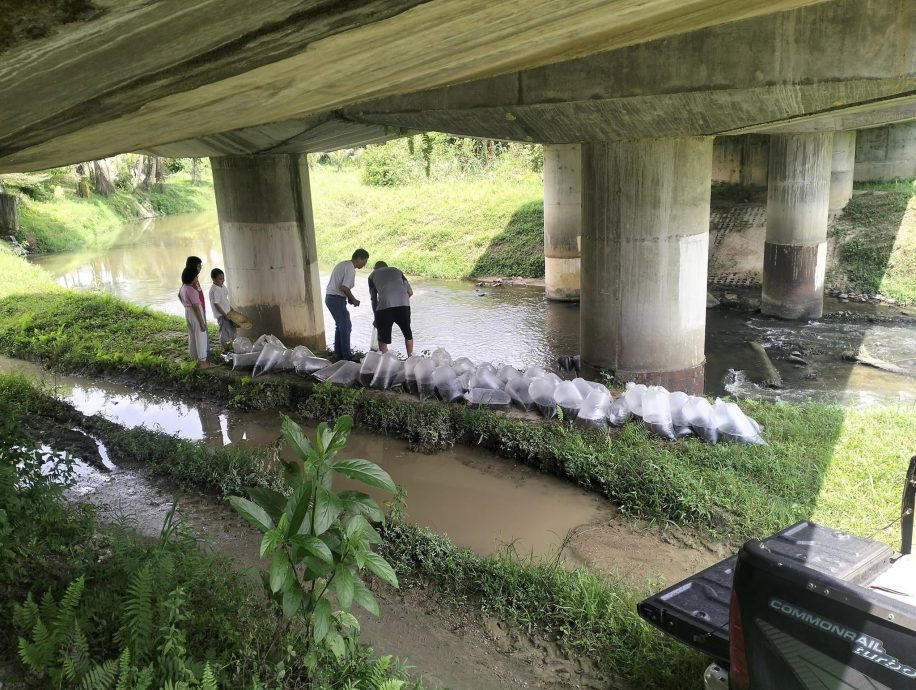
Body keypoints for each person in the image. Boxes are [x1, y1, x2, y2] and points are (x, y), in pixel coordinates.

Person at [325, 248, 369, 361]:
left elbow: (341, 287)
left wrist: (348, 297)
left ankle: (338, 353)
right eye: (364, 262)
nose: (364, 265)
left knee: (340, 325)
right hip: (336, 299)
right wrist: (353, 299)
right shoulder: (350, 268)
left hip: (331, 298)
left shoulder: (343, 264)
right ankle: (347, 355)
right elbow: (345, 287)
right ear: (359, 258)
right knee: (346, 326)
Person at [367, 260, 414, 356]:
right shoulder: (397, 271)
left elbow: (373, 298)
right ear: (387, 266)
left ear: (375, 268)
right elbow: (410, 292)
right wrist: (401, 301)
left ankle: (385, 360)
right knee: (407, 334)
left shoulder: (372, 275)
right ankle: (410, 358)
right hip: (403, 304)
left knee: (383, 338)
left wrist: (376, 316)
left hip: (385, 306)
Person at [179, 266, 213, 369]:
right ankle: (203, 362)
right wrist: (202, 322)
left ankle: (194, 357)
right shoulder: (192, 290)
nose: (197, 279)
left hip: (187, 311)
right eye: (196, 277)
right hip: (195, 313)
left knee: (192, 336)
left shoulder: (183, 288)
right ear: (192, 278)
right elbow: (196, 307)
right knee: (201, 336)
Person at [209, 268, 236, 350]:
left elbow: (225, 299)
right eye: (220, 279)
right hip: (222, 315)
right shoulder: (214, 290)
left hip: (228, 313)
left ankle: (233, 347)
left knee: (233, 330)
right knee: (224, 332)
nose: (222, 280)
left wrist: (231, 309)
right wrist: (224, 314)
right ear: (213, 279)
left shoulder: (222, 286)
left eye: (223, 278)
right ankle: (225, 349)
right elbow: (216, 304)